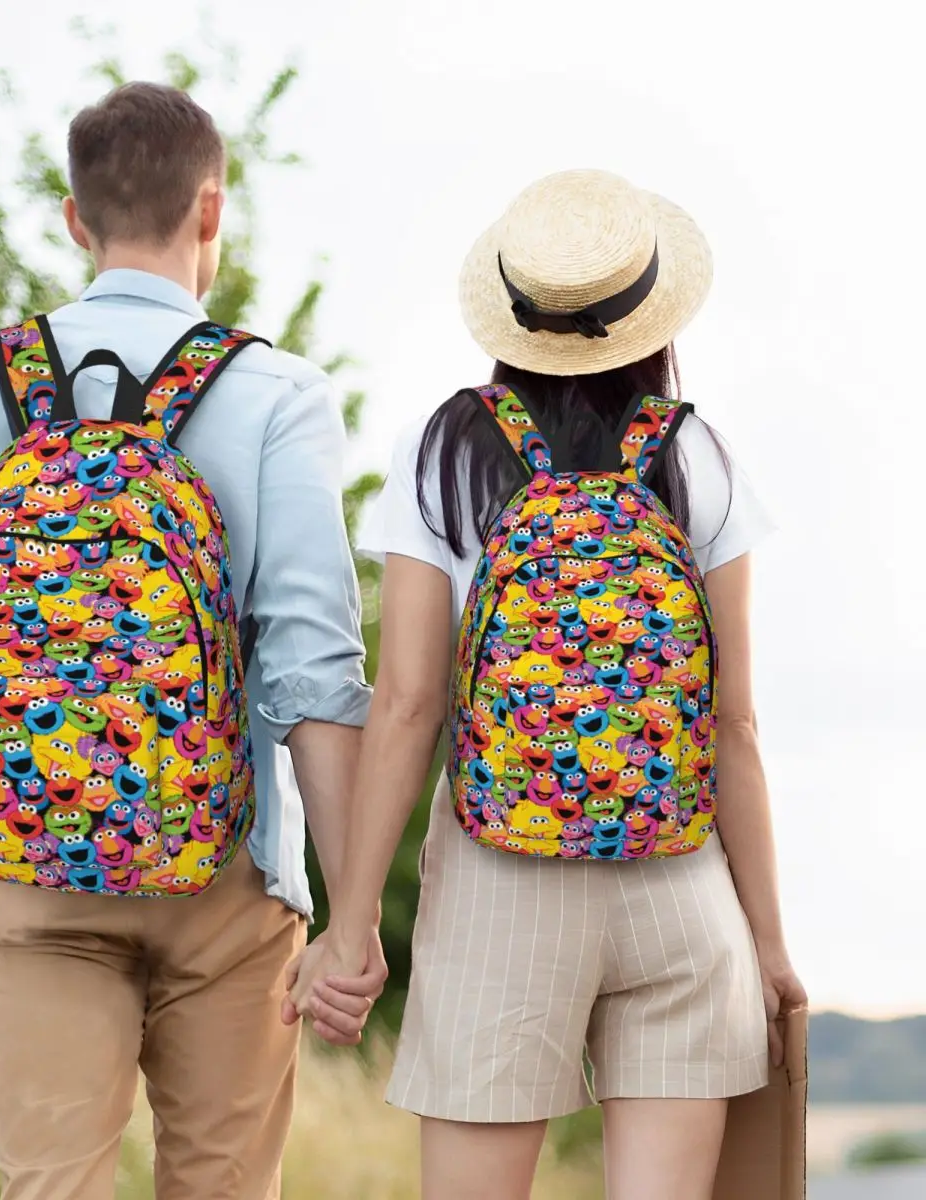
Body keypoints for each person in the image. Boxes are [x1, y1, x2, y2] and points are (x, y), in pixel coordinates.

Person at [0, 81, 387, 1200]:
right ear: (212, 213)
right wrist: (353, 914)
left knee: (51, 1186)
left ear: (75, 219)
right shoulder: (275, 394)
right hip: (226, 872)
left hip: (23, 868)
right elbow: (315, 678)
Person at [285, 169, 807, 1200]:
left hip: (499, 885)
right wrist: (769, 943)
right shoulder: (698, 455)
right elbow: (734, 723)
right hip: (681, 884)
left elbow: (407, 706)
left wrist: (350, 927)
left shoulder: (445, 451)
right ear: (652, 316)